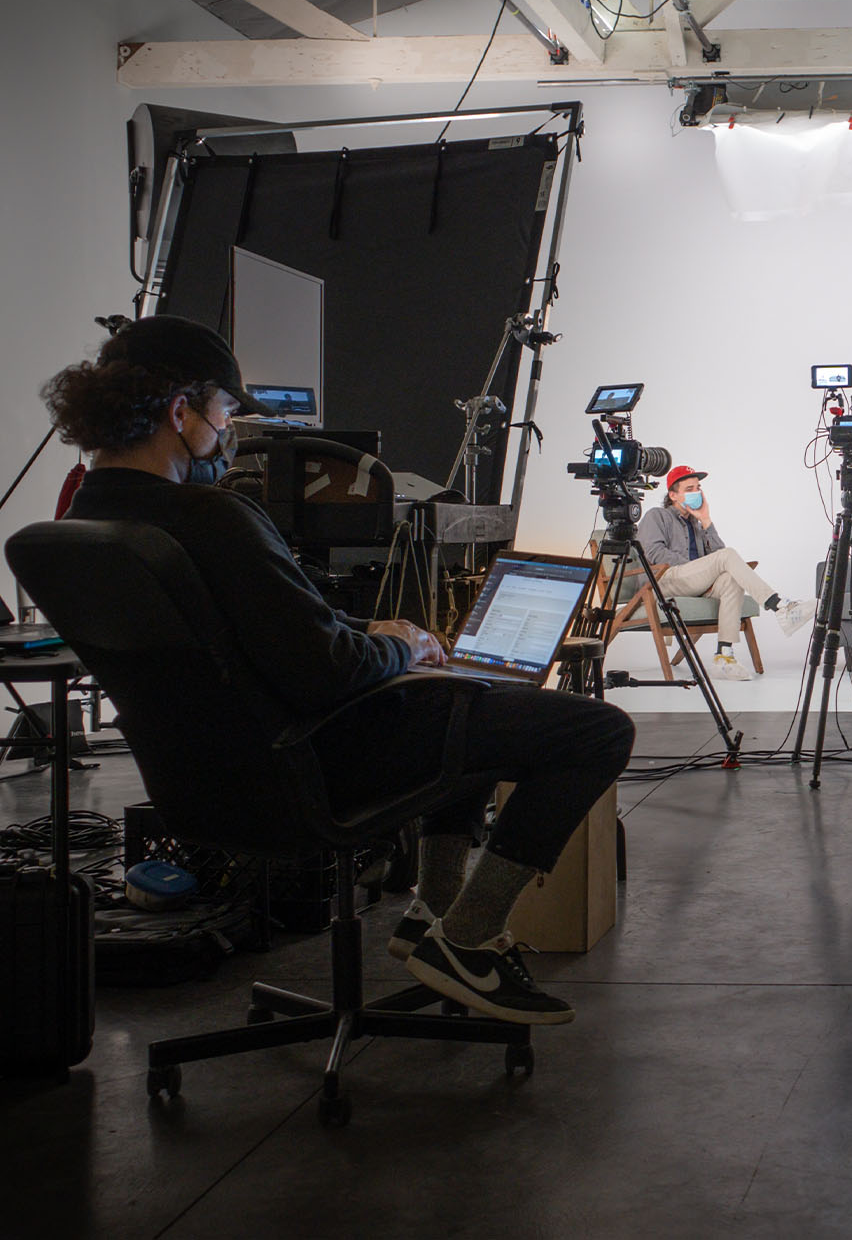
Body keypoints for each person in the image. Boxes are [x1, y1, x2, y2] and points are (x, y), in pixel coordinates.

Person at [43, 317, 634, 1025]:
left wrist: (368, 630)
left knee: (469, 708)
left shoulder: (85, 525)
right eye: (225, 413)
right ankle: (468, 939)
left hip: (209, 785)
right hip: (313, 769)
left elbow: (244, 635)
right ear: (180, 412)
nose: (227, 433)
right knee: (592, 731)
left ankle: (429, 917)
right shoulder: (212, 518)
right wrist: (408, 648)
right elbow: (328, 672)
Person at [635, 465, 809, 680]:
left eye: (698, 488)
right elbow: (654, 554)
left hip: (691, 582)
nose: (696, 493)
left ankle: (724, 655)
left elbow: (718, 555)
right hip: (664, 581)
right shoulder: (657, 516)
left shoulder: (697, 524)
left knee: (730, 579)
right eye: (689, 489)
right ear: (673, 495)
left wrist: (706, 520)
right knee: (727, 556)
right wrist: (699, 568)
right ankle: (780, 606)